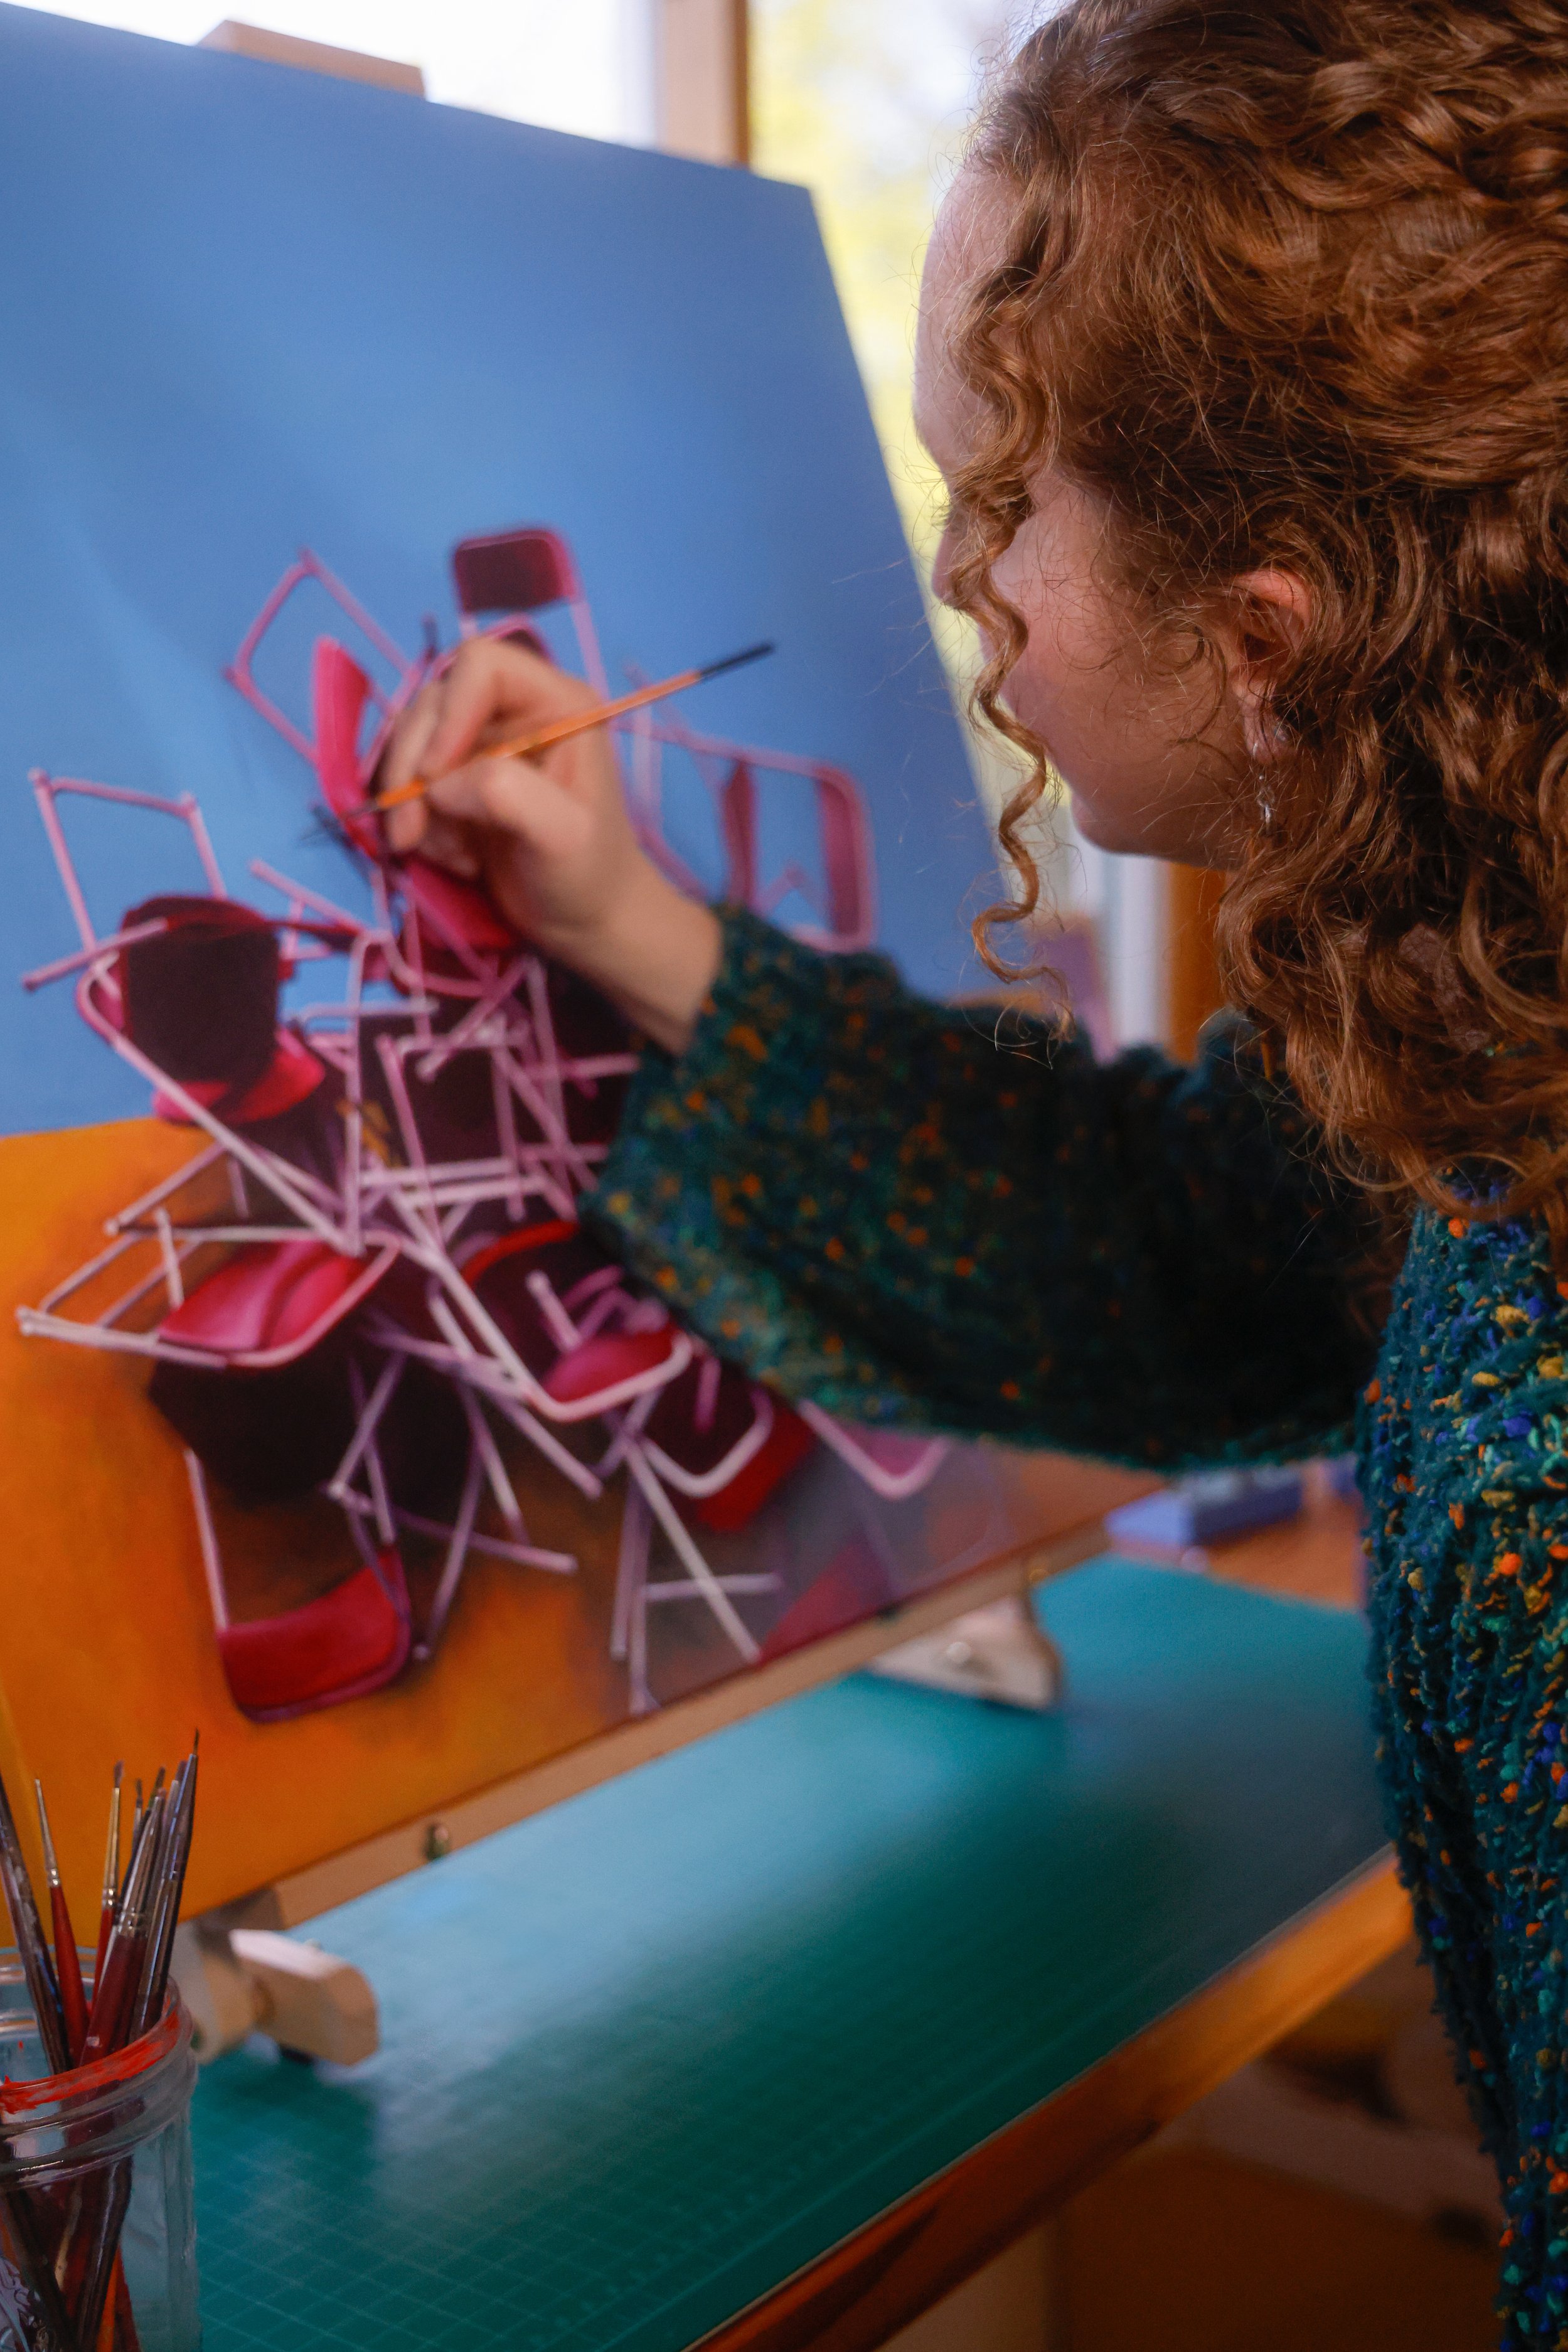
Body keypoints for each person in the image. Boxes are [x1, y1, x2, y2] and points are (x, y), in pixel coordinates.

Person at [385, 3, 1568, 2337]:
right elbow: (1200, 1236)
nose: (952, 570)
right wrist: (638, 930)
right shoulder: (1493, 999)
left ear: (1269, 633)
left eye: (1006, 498)